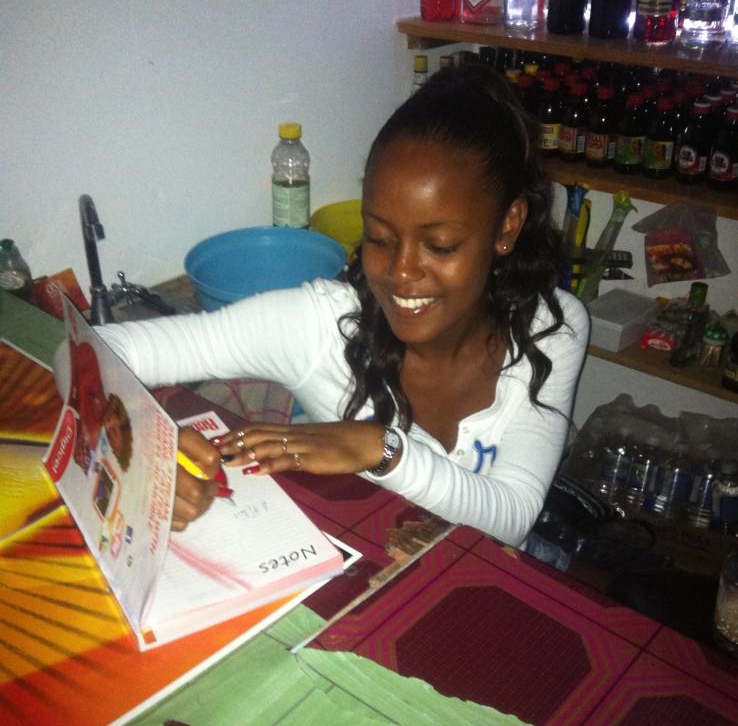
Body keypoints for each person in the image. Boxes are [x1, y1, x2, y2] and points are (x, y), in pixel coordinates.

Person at [96, 65, 589, 546]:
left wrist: (381, 448)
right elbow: (88, 351)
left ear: (507, 226)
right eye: (379, 238)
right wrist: (145, 443)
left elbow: (512, 520)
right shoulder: (319, 327)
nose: (400, 272)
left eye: (439, 246)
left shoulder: (553, 327)